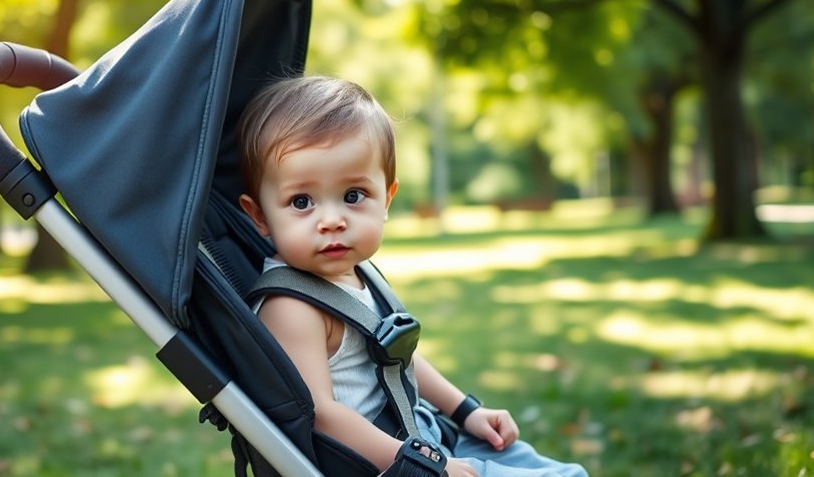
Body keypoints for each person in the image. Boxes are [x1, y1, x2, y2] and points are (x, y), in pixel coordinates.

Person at [236, 76, 588, 477]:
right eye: (302, 202)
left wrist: (465, 410)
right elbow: (323, 416)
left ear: (386, 198)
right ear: (260, 216)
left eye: (353, 196)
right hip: (390, 463)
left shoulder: (354, 274)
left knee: (550, 467)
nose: (332, 220)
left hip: (421, 432)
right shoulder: (291, 308)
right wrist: (430, 466)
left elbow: (395, 358)